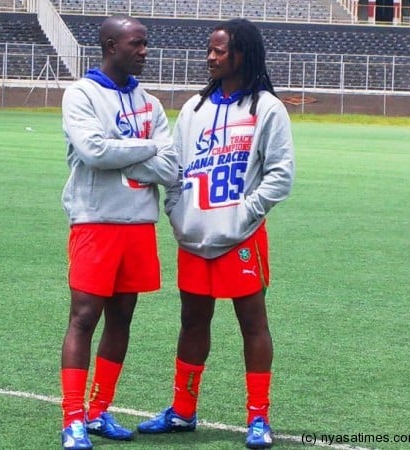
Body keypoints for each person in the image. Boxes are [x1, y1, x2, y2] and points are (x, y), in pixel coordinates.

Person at [136, 18, 295, 449]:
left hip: (240, 237)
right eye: (210, 49)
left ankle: (258, 418)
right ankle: (183, 411)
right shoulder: (194, 109)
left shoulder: (267, 109)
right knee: (192, 323)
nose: (211, 56)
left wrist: (247, 212)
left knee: (253, 324)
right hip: (194, 236)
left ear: (242, 53)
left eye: (220, 50)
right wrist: (177, 211)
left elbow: (280, 175)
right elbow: (175, 166)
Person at [59, 15, 178, 450]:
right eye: (137, 43)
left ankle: (98, 410)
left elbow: (171, 166)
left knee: (122, 319)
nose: (145, 51)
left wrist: (125, 155)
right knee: (84, 317)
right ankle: (72, 419)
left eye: (145, 43)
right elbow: (93, 152)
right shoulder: (81, 94)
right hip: (95, 221)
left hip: (139, 226)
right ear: (110, 45)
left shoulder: (151, 103)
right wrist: (149, 149)